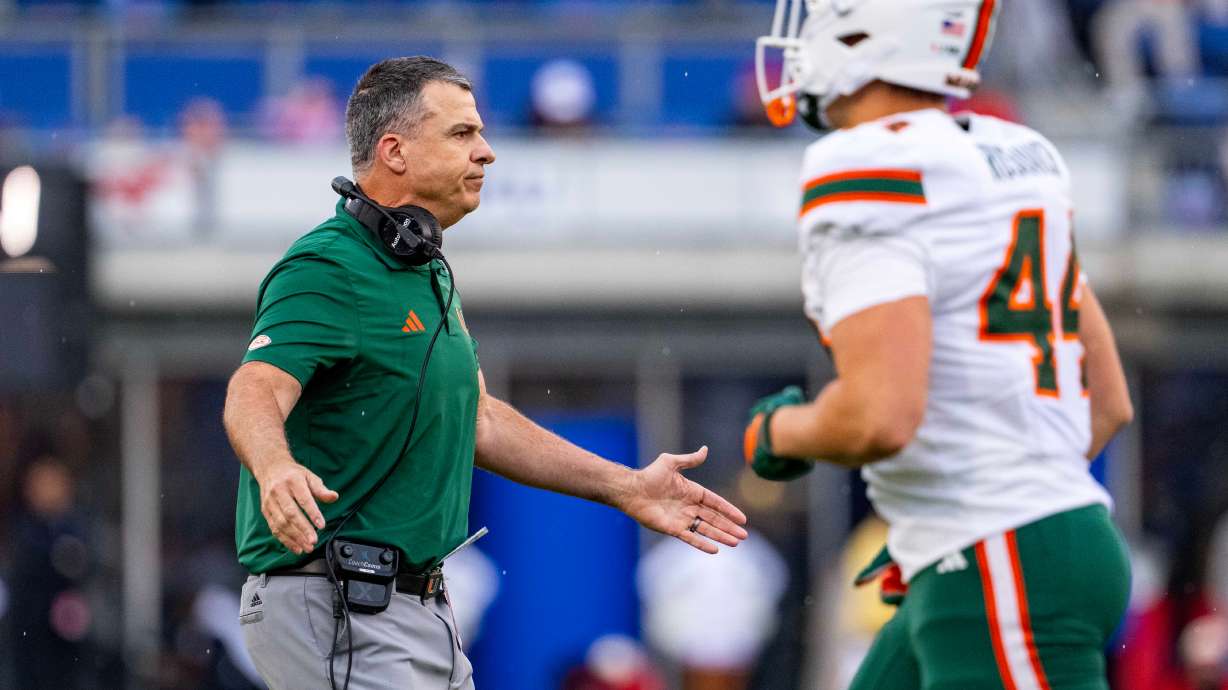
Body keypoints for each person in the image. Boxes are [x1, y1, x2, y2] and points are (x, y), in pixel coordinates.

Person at [222, 56, 748, 690]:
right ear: (394, 151)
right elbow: (253, 387)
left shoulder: (428, 270)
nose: (487, 152)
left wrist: (625, 486)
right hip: (339, 608)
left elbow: (481, 420)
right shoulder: (326, 266)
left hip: (412, 614)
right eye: (462, 134)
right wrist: (275, 468)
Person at [746, 2, 1135, 688]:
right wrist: (948, 515)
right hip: (1016, 548)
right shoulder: (1019, 152)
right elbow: (1106, 404)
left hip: (1000, 563)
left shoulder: (870, 162)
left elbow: (879, 416)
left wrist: (778, 433)